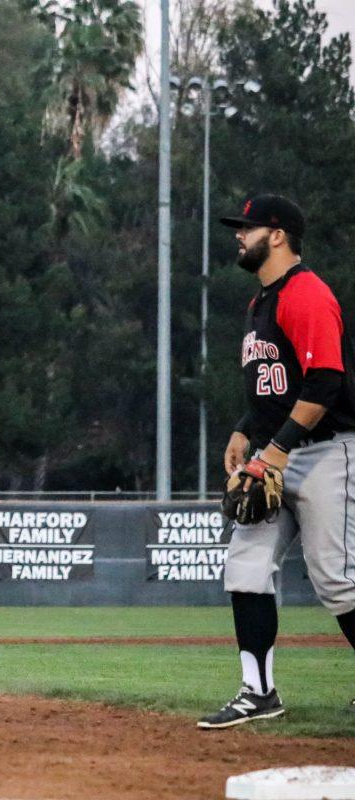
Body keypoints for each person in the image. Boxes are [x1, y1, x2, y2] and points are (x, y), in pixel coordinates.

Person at [198, 194, 355, 729]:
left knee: (336, 580)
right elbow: (273, 388)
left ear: (278, 235)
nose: (239, 236)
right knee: (244, 567)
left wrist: (279, 451)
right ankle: (258, 692)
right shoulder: (259, 303)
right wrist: (247, 431)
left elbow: (325, 382)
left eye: (248, 228)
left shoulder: (306, 293)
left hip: (327, 451)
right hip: (275, 453)